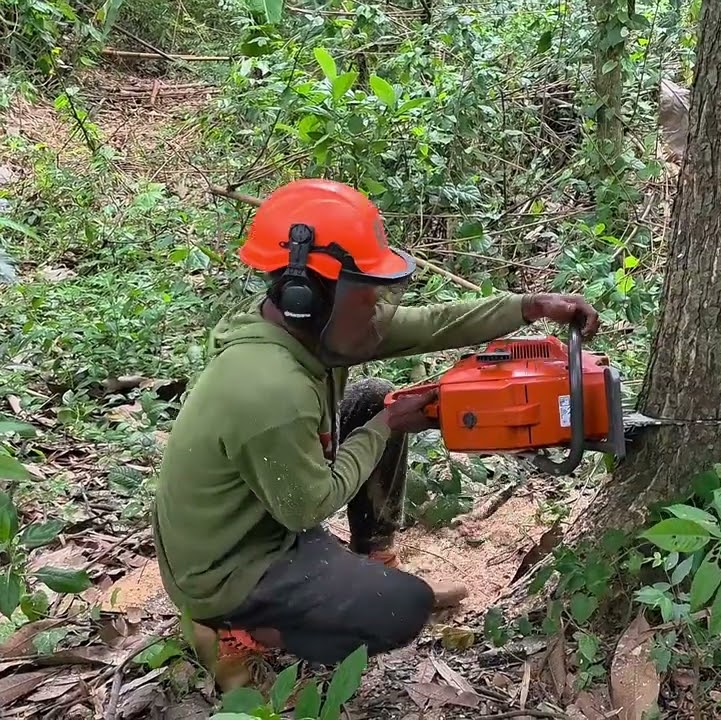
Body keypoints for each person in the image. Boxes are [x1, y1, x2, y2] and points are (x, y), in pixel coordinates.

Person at [149, 178, 600, 690]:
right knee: (403, 609)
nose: (379, 312)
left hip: (258, 519)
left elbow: (429, 324)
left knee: (372, 393)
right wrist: (385, 426)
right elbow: (307, 506)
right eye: (368, 299)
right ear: (307, 296)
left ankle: (370, 558)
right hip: (226, 567)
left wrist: (529, 307)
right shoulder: (271, 390)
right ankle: (234, 628)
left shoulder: (306, 332)